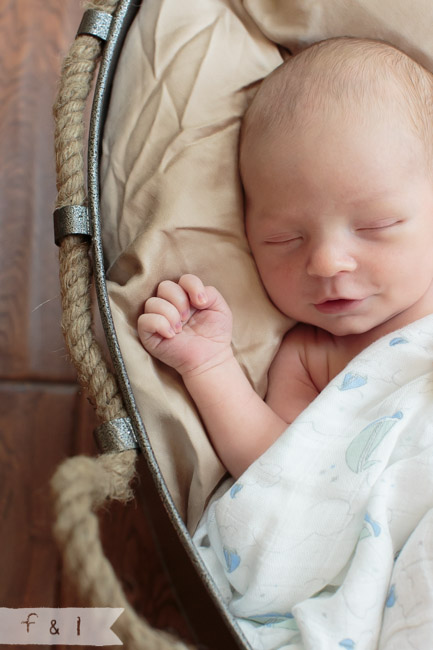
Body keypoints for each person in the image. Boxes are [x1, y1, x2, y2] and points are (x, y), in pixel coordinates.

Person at [137, 37, 433, 480]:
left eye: (375, 226)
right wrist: (209, 365)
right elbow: (279, 476)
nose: (328, 263)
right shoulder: (309, 356)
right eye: (285, 238)